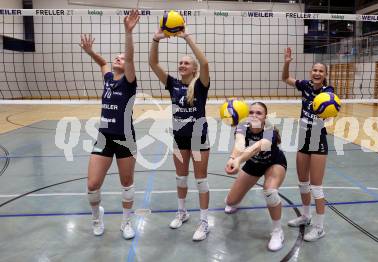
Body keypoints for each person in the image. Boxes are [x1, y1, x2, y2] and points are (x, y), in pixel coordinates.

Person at [80, 10, 139, 239]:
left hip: (126, 137)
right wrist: (89, 51)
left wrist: (128, 31)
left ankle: (126, 223)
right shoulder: (107, 77)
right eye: (117, 57)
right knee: (93, 184)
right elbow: (103, 62)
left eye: (121, 58)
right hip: (104, 137)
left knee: (126, 182)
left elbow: (130, 58)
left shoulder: (129, 82)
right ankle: (97, 218)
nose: (118, 58)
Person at [149, 27, 211, 241]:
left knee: (201, 181)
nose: (181, 65)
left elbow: (205, 63)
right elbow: (153, 64)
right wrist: (156, 40)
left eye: (186, 63)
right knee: (181, 178)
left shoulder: (201, 85)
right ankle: (182, 212)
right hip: (179, 139)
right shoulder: (173, 84)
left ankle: (204, 222)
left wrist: (187, 38)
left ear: (193, 69)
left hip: (198, 139)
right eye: (180, 63)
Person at [282, 47, 334, 242]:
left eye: (321, 71)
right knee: (302, 182)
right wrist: (287, 61)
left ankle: (320, 227)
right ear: (311, 72)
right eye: (315, 70)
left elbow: (332, 110)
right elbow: (286, 79)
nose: (317, 73)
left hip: (318, 139)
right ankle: (305, 215)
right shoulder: (305, 85)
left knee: (316, 187)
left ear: (325, 75)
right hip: (303, 138)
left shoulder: (329, 92)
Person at [224, 102, 287, 252]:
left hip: (274, 162)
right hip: (254, 164)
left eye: (259, 113)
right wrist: (232, 158)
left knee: (270, 192)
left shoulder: (269, 130)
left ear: (265, 117)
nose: (254, 115)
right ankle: (234, 198)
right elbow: (240, 143)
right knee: (230, 202)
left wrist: (238, 160)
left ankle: (277, 231)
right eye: (251, 112)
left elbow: (255, 147)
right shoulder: (242, 126)